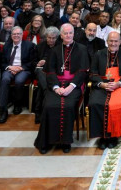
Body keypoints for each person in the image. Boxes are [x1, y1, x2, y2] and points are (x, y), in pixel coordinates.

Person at [34, 23, 90, 154]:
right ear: (61, 35)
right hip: (57, 85)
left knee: (68, 106)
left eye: (70, 33)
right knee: (49, 106)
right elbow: (50, 72)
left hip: (74, 85)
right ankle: (46, 141)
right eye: (65, 33)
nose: (68, 35)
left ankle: (65, 141)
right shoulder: (54, 50)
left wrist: (71, 87)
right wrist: (55, 87)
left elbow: (82, 72)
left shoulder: (81, 49)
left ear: (73, 34)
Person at [89, 31, 121, 150]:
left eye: (116, 41)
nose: (113, 43)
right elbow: (92, 73)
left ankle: (114, 136)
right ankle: (102, 137)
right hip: (103, 86)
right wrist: (102, 84)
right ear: (107, 41)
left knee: (117, 104)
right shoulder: (99, 54)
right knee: (96, 103)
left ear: (120, 42)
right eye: (111, 41)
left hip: (119, 86)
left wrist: (118, 84)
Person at [0, 27, 35, 124]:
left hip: (23, 69)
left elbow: (32, 62)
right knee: (5, 79)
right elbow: (1, 62)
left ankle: (17, 104)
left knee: (19, 80)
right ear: (11, 36)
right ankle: (3, 110)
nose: (16, 36)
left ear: (22, 35)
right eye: (14, 34)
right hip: (10, 68)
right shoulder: (7, 46)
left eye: (18, 34)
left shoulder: (29, 45)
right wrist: (10, 67)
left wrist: (20, 68)